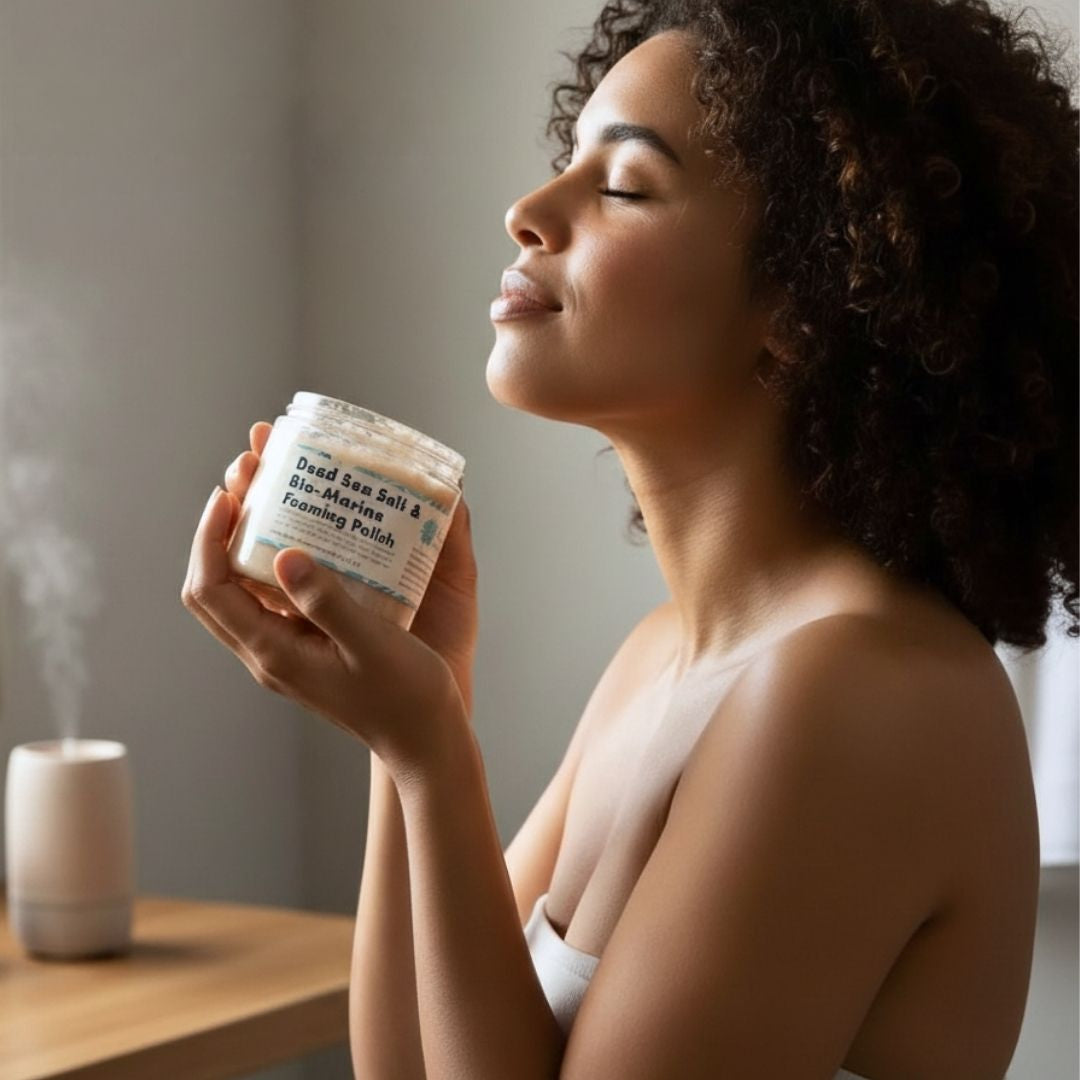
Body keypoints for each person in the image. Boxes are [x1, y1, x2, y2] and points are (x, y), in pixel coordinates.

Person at [184, 1, 1078, 1076]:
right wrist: (416, 717)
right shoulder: (662, 658)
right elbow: (412, 1065)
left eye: (622, 187)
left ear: (804, 301)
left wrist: (432, 757)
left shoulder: (864, 690)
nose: (527, 210)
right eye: (568, 161)